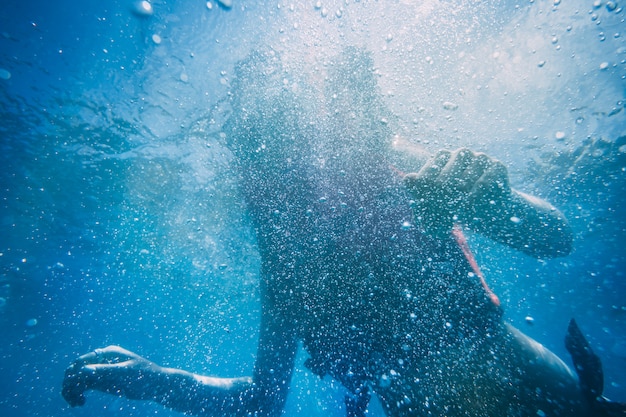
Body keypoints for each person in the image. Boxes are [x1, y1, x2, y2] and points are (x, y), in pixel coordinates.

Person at [63, 49, 599, 417]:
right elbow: (263, 400)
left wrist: (492, 195)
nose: (274, 179)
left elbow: (556, 237)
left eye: (280, 140)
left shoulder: (404, 178)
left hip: (552, 395)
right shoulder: (287, 268)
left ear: (316, 136)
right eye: (252, 149)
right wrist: (155, 378)